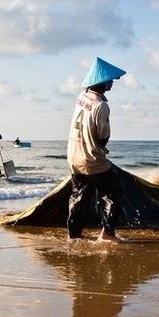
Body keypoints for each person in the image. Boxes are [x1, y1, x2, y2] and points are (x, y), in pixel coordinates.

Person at [67, 57, 126, 242]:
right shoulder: (102, 106)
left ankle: (73, 234)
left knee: (78, 196)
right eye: (110, 80)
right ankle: (107, 233)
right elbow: (102, 137)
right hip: (91, 159)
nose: (112, 83)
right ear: (102, 81)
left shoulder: (81, 97)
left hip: (73, 155)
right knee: (114, 194)